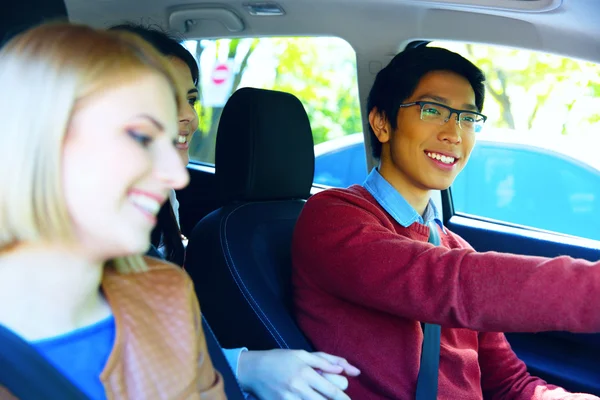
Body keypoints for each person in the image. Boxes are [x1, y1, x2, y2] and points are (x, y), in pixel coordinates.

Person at [292, 45, 600, 399]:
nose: (454, 133)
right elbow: (446, 283)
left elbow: (507, 382)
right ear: (381, 123)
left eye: (468, 118)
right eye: (433, 110)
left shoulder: (454, 246)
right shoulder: (332, 217)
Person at [109, 23, 361, 400]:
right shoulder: (77, 228)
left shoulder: (161, 200)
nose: (189, 118)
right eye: (163, 97)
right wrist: (245, 366)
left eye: (191, 99)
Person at [0, 23, 225, 399]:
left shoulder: (167, 293)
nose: (175, 175)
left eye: (169, 141)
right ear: (43, 141)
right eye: (141, 137)